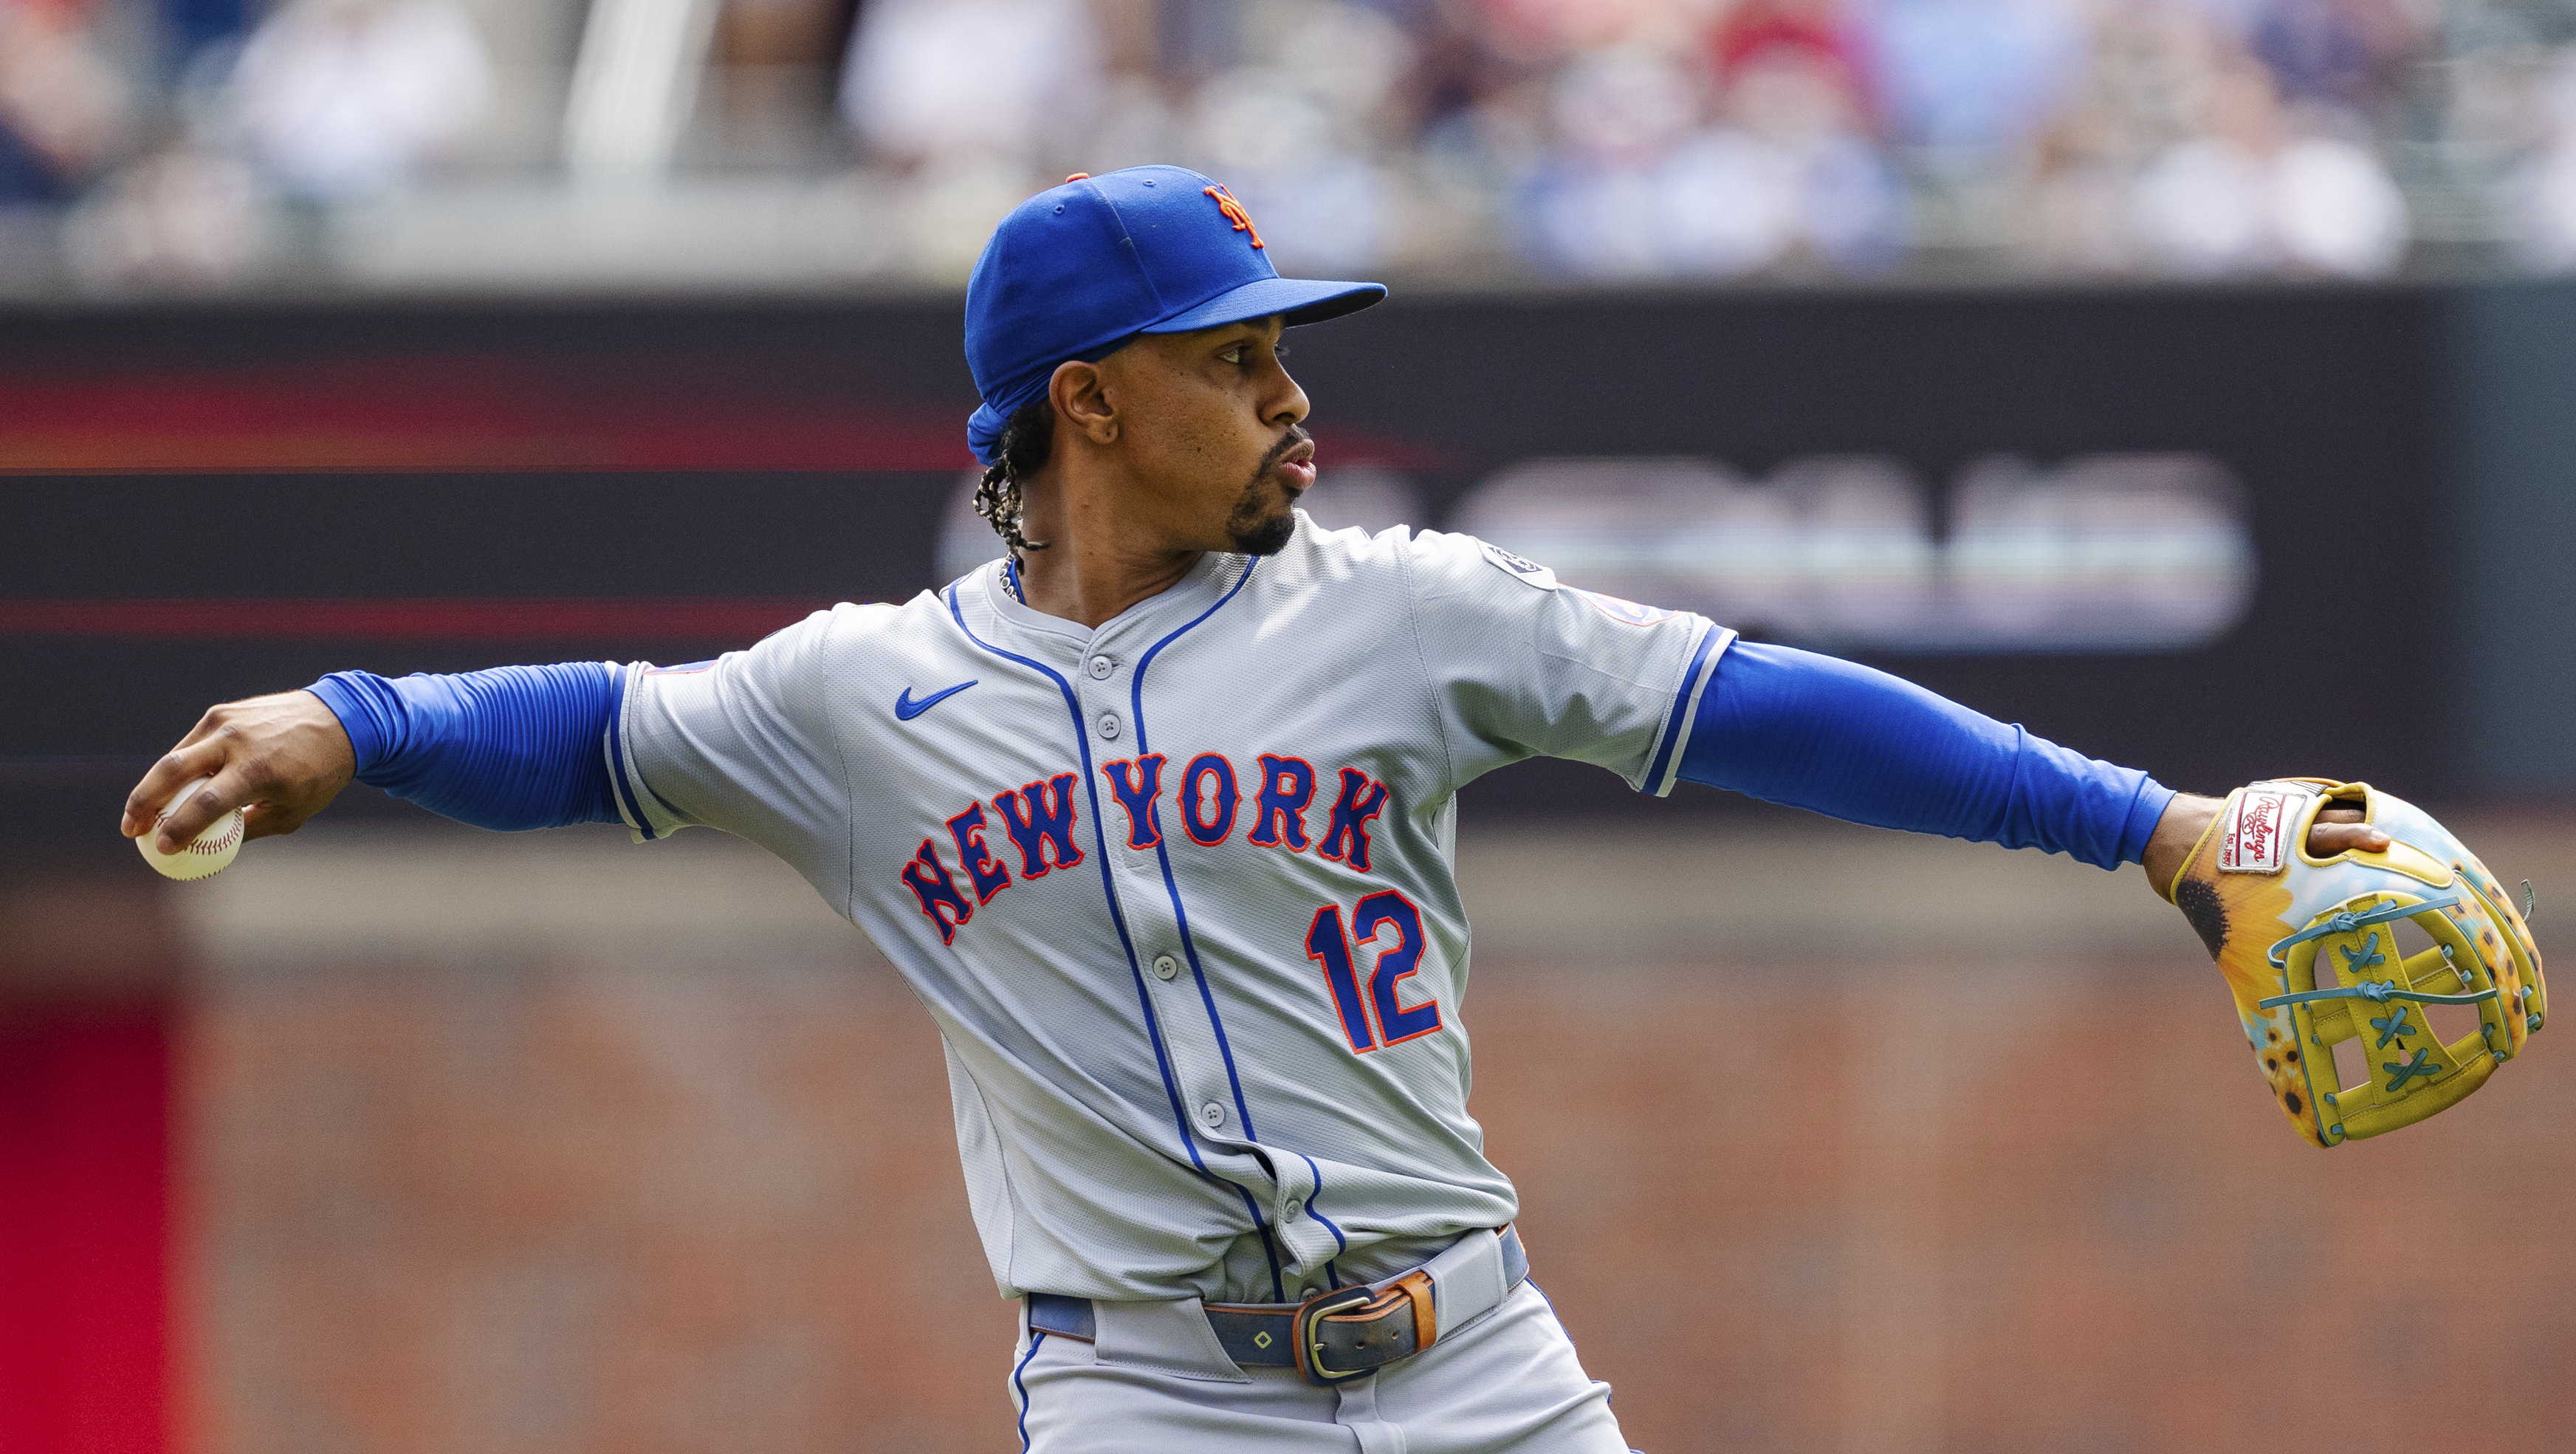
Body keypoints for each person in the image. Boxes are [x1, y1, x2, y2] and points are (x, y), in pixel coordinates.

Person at [122, 165, 2383, 1452]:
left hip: (1474, 1361)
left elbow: (1758, 703)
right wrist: (351, 718)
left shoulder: (1401, 610)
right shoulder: (863, 692)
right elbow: (599, 728)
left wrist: (2149, 824)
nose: (1293, 395)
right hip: (1148, 1406)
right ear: (1088, 406)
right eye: (1236, 358)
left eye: (1285, 348)